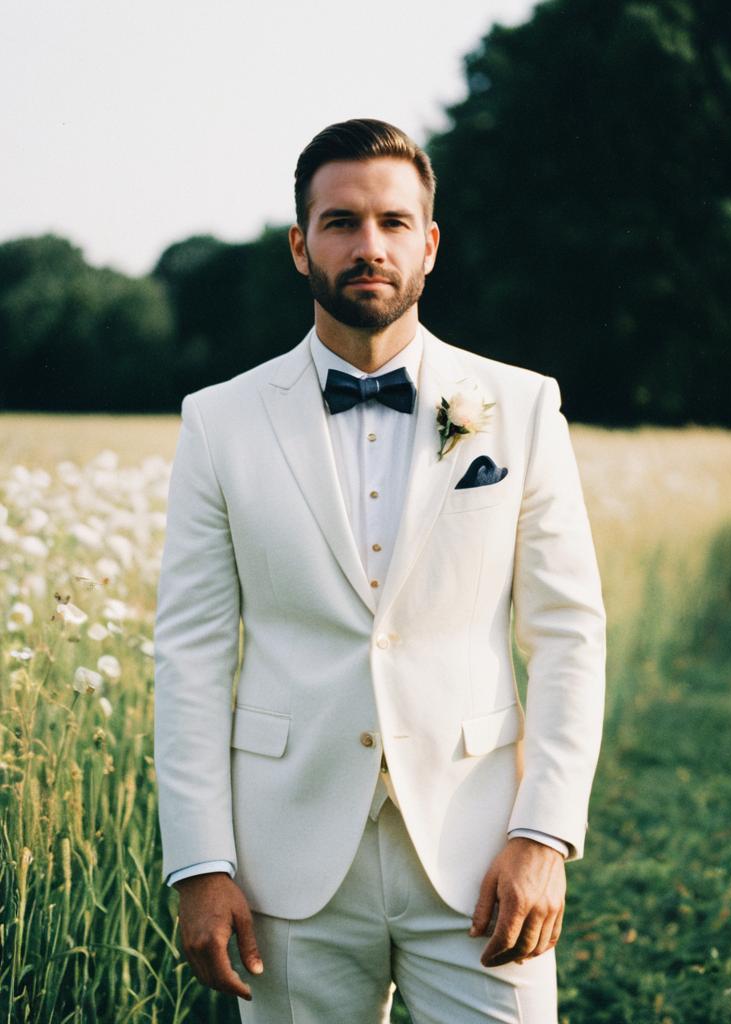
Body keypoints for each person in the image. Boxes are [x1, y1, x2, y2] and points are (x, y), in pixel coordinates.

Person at [153, 118, 606, 1023]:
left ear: (429, 244)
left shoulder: (520, 406)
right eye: (341, 223)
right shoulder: (219, 422)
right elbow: (191, 656)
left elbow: (568, 632)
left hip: (481, 855)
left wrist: (544, 834)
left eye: (394, 223)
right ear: (299, 244)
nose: (369, 247)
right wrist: (200, 863)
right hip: (286, 864)